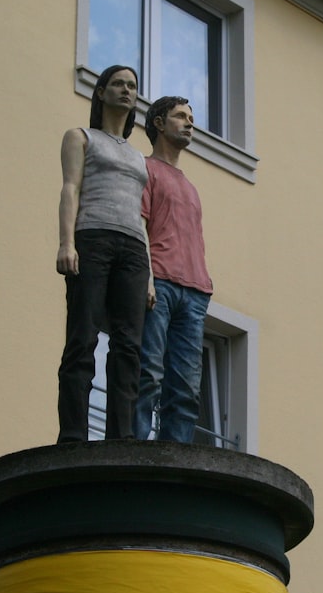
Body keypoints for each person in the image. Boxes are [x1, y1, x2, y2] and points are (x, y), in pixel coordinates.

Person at [55, 65, 151, 443]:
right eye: (118, 84)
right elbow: (69, 188)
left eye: (132, 86)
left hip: (133, 249)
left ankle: (121, 439)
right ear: (101, 92)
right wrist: (66, 242)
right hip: (92, 238)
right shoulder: (80, 137)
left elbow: (142, 216)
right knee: (83, 337)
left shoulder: (141, 158)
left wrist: (151, 277)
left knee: (129, 347)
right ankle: (74, 436)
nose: (127, 90)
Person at [134, 96, 213, 442]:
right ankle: (134, 448)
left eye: (191, 117)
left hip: (195, 291)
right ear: (159, 123)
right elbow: (139, 225)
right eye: (180, 116)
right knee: (148, 372)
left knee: (185, 386)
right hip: (161, 282)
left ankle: (175, 457)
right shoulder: (145, 170)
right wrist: (147, 277)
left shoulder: (191, 187)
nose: (189, 122)